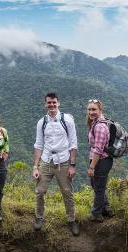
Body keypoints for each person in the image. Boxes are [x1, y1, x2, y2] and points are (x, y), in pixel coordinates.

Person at [32, 92, 80, 236]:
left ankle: (71, 220)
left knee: (67, 192)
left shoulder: (67, 120)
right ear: (45, 104)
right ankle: (39, 218)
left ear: (59, 103)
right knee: (40, 191)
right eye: (49, 103)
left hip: (64, 161)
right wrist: (35, 166)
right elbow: (39, 144)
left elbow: (73, 144)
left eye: (54, 102)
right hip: (46, 161)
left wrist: (72, 165)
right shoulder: (42, 122)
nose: (51, 105)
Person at [86, 99, 115, 222]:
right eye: (89, 109)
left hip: (101, 161)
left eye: (94, 109)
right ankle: (106, 209)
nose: (91, 112)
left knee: (98, 187)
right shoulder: (96, 122)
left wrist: (92, 167)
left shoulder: (99, 127)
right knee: (97, 185)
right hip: (101, 160)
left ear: (100, 110)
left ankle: (96, 214)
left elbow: (98, 149)